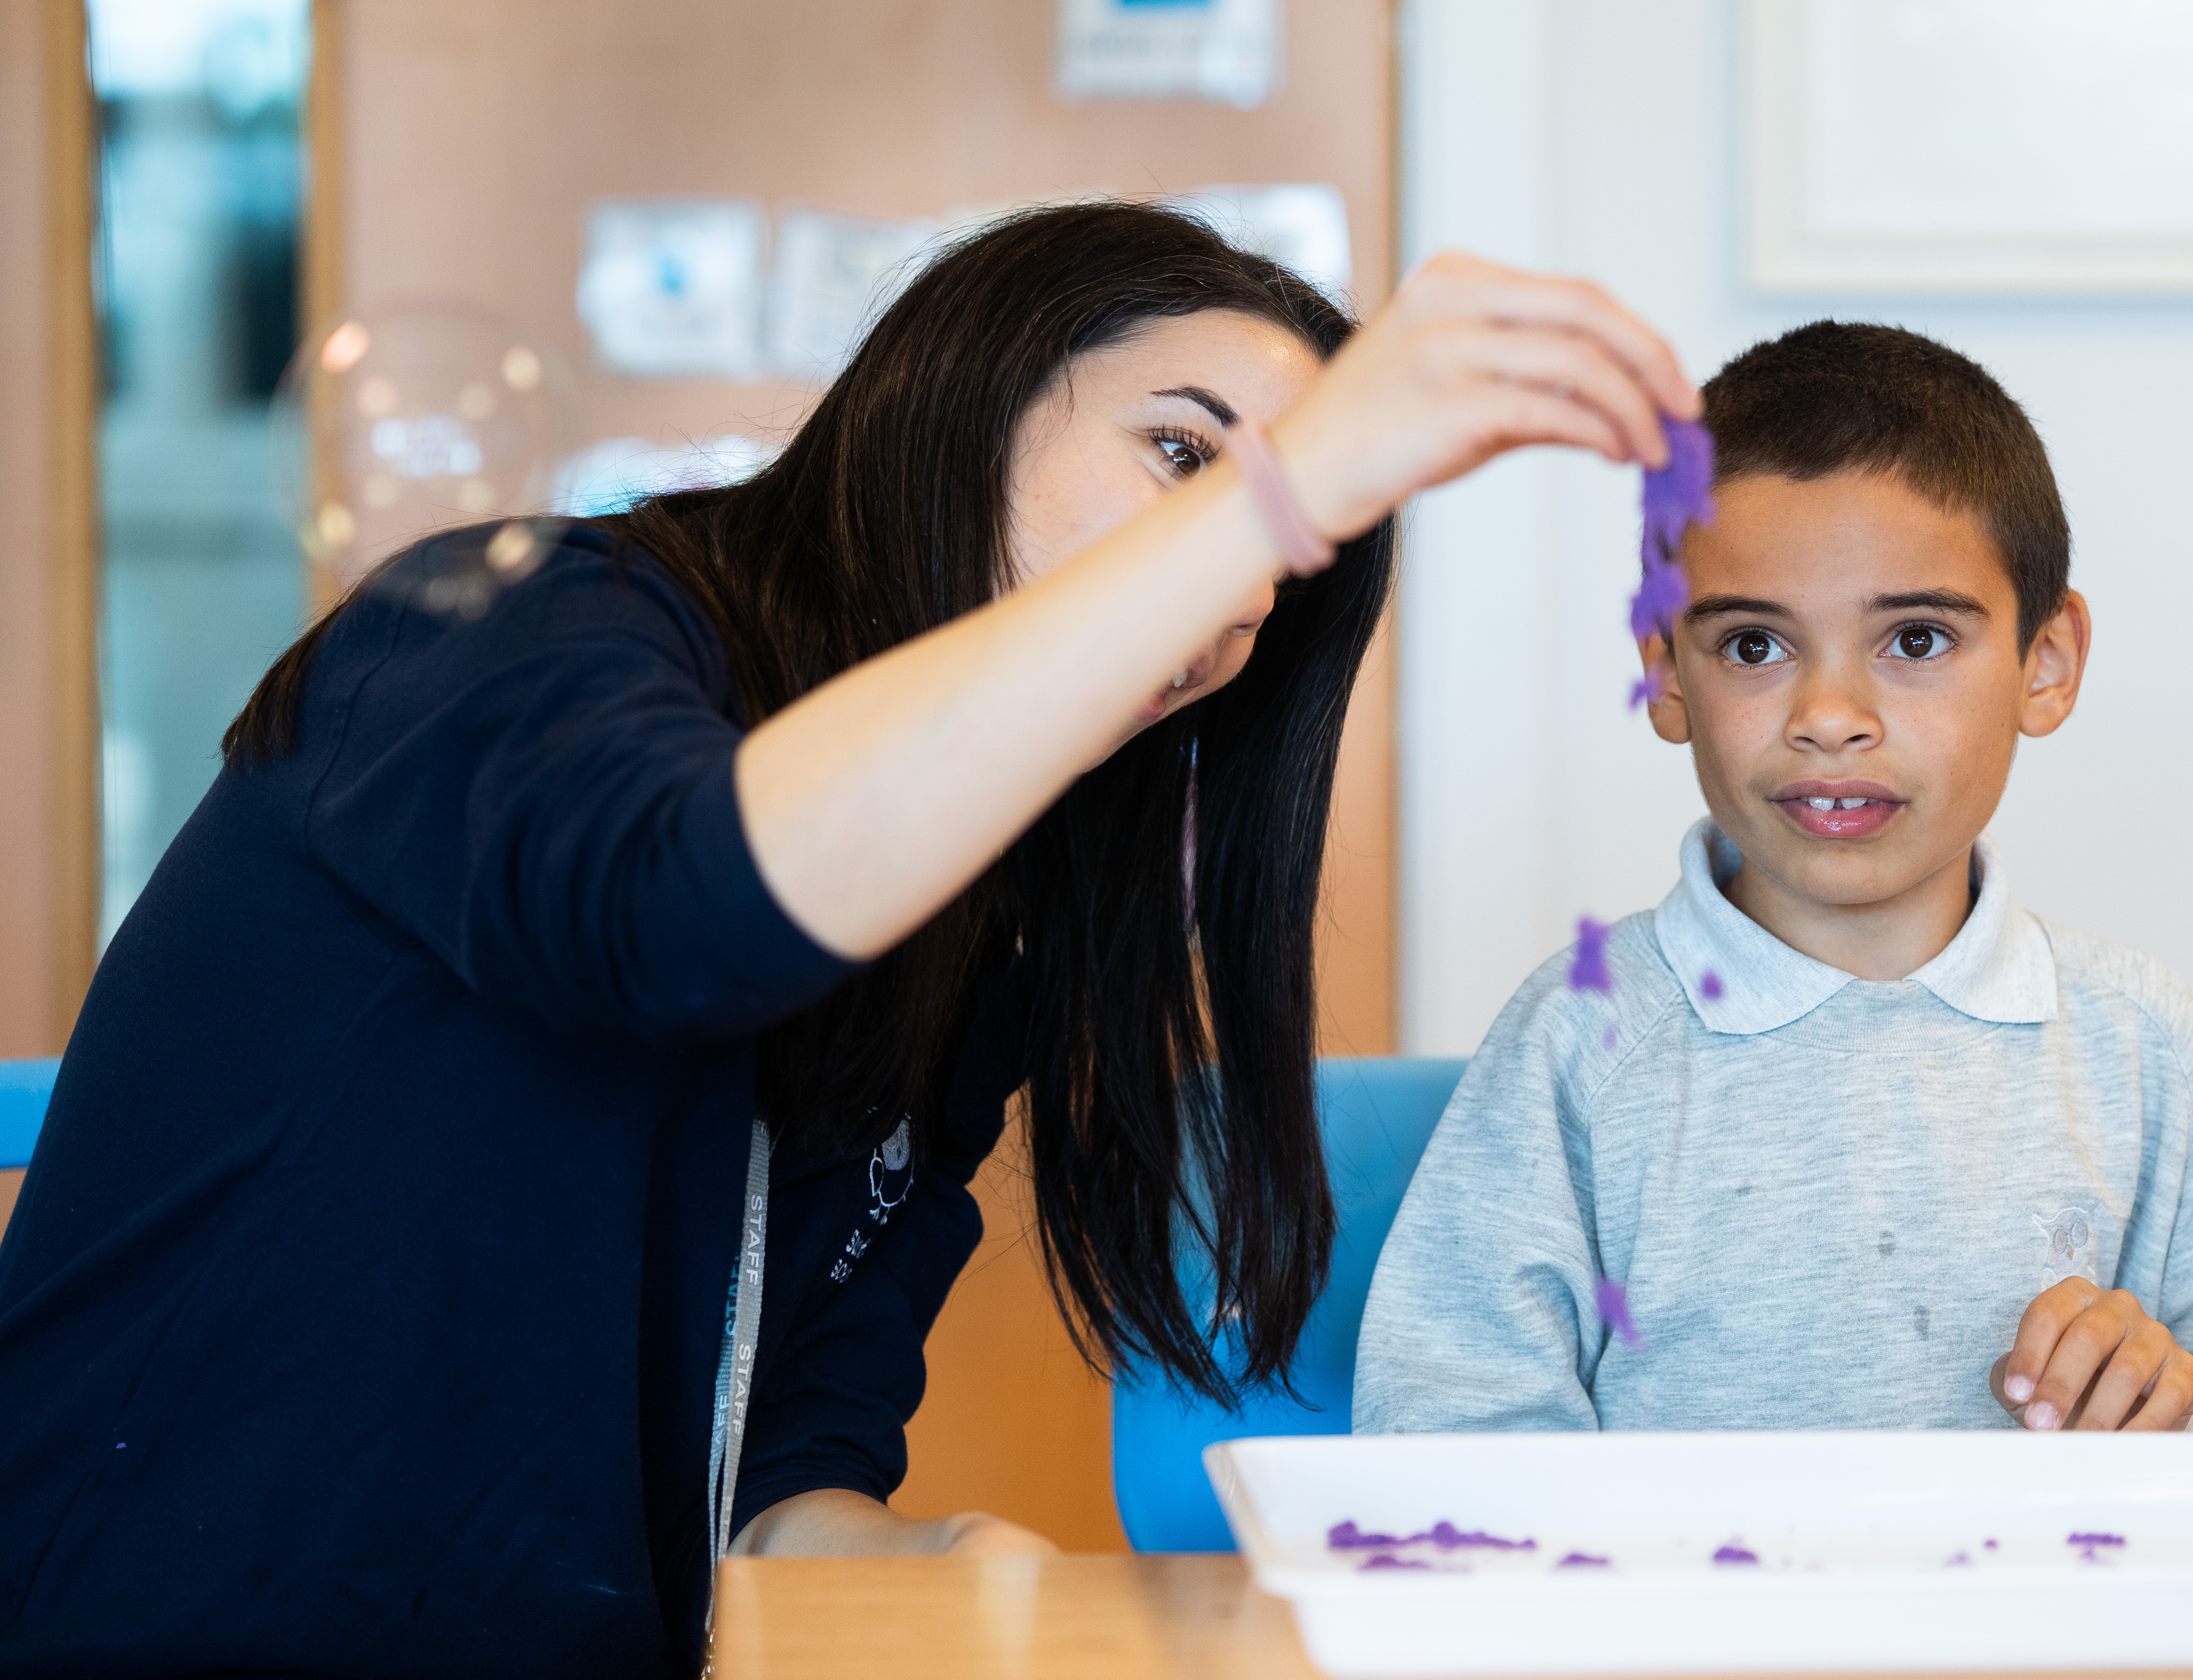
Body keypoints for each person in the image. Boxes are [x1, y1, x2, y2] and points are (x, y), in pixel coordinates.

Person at [0, 202, 1699, 1680]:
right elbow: (687, 908)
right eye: (1182, 453)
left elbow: (772, 1479)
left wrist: (948, 1574)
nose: (1242, 600)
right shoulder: (527, 635)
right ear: (968, 386)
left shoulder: (978, 929)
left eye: (1288, 568)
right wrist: (1287, 484)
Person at [1353, 320, 2193, 1439]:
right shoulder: (1577, 1040)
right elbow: (1444, 1434)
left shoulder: (2145, 1048)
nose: (1830, 717)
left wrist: (2173, 1420)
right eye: (1753, 646)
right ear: (1666, 675)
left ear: (2046, 661)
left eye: (1918, 640)